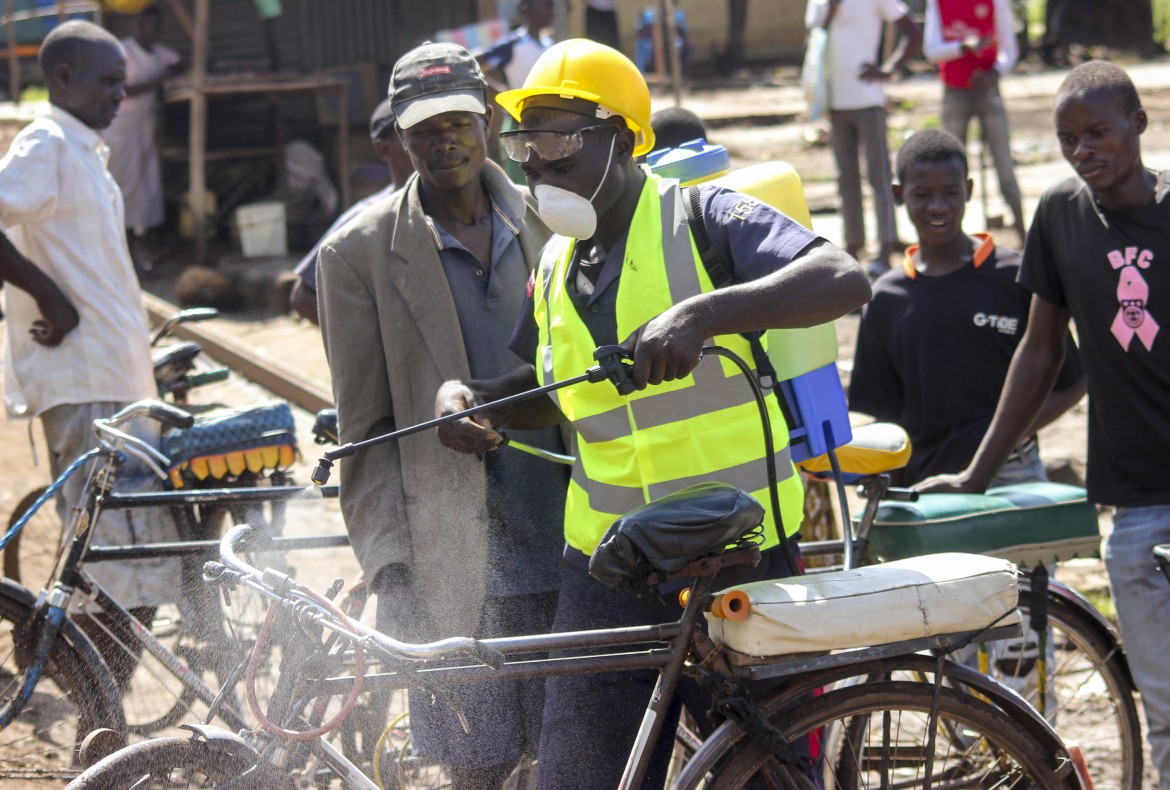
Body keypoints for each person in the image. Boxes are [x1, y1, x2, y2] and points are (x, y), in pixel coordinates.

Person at [434, 39, 870, 789]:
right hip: (606, 565)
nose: (536, 163)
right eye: (525, 143)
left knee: (767, 772)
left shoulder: (704, 216)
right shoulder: (555, 265)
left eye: (559, 139)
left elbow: (843, 278)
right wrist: (470, 398)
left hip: (736, 548)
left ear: (625, 139)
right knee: (578, 773)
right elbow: (555, 390)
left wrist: (708, 314)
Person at [315, 43, 566, 789]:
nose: (443, 141)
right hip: (450, 553)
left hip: (569, 532)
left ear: (488, 118)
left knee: (573, 753)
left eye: (458, 121)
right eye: (424, 129)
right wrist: (391, 563)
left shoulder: (553, 215)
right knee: (476, 764)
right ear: (398, 136)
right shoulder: (356, 254)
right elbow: (362, 427)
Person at [916, 61, 1170, 785]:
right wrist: (978, 473)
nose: (1084, 150)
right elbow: (1039, 348)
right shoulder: (1061, 214)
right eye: (1067, 139)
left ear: (1138, 125)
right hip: (1139, 501)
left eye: (1098, 133)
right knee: (1164, 708)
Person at [0, 20, 178, 681]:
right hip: (85, 385)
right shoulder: (45, 141)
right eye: (107, 82)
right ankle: (97, 724)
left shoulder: (84, 151)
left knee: (136, 563)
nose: (119, 97)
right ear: (62, 78)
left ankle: (98, 710)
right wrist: (49, 295)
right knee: (117, 571)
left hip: (116, 378)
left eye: (123, 85)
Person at [850, 128, 1085, 487]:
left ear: (970, 191)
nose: (938, 206)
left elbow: (1073, 381)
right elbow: (881, 415)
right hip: (923, 480)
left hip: (1011, 469)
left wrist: (999, 439)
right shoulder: (885, 299)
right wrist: (889, 490)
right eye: (922, 194)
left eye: (951, 192)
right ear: (898, 195)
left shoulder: (1017, 277)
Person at [805, 0, 919, 276]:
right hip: (834, 101)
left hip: (869, 100)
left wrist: (889, 70)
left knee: (878, 175)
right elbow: (815, 37)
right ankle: (853, 247)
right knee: (845, 177)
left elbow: (912, 31)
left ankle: (885, 247)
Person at [289, 97, 414, 324]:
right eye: (415, 134)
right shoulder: (365, 218)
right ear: (385, 149)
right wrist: (368, 338)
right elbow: (303, 296)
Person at [923, 0, 1027, 247]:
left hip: (988, 87)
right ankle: (951, 238)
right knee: (950, 167)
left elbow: (1009, 50)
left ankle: (1024, 235)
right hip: (954, 90)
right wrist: (962, 47)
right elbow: (931, 50)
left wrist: (995, 73)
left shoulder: (995, 2)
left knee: (1004, 162)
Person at [102, 6, 182, 270]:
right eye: (148, 25)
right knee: (125, 183)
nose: (153, 30)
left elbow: (178, 63)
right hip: (121, 127)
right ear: (138, 24)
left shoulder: (158, 52)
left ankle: (143, 241)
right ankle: (124, 245)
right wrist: (158, 80)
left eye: (156, 26)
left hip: (145, 125)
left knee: (147, 185)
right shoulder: (122, 51)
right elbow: (121, 88)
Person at [476, 0, 556, 182]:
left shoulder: (549, 44)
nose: (553, 11)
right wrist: (501, 91)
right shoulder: (512, 46)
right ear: (527, 8)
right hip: (519, 127)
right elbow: (473, 65)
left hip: (550, 126)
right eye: (547, 5)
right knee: (524, 189)